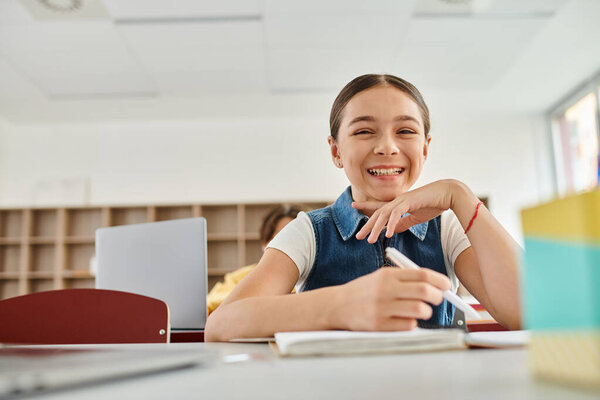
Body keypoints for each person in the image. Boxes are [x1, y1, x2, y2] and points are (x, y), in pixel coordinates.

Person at [205, 74, 522, 341]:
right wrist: (342, 304)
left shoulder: (447, 229)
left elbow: (531, 315)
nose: (387, 146)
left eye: (406, 131)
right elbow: (221, 325)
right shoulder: (309, 231)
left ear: (425, 147)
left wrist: (461, 196)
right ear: (336, 151)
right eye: (363, 131)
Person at [206, 204, 304, 314]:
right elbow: (209, 305)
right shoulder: (239, 278)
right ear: (264, 245)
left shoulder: (314, 277)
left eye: (294, 240)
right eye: (279, 239)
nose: (287, 246)